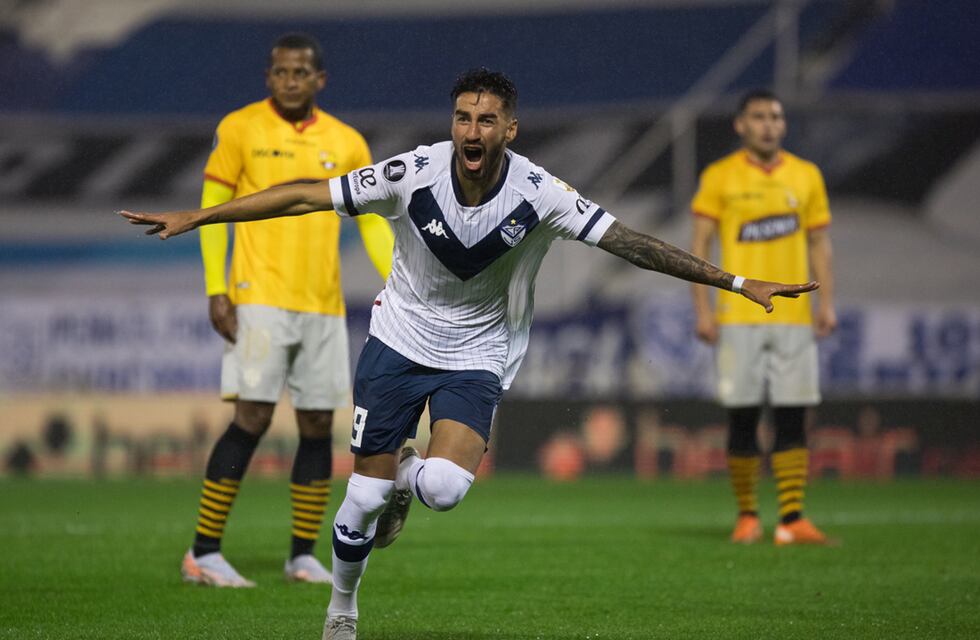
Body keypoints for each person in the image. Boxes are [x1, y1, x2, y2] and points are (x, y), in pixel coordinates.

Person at [121, 69, 818, 638]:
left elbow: (631, 242)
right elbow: (307, 195)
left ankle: (406, 478)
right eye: (462, 117)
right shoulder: (412, 171)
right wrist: (200, 216)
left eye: (486, 120)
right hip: (398, 342)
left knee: (447, 491)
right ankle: (342, 610)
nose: (471, 131)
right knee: (360, 500)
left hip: (478, 351)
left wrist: (734, 280)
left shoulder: (541, 193)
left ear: (509, 128)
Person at [179, 33, 394, 588]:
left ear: (320, 79)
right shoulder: (240, 128)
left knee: (319, 425)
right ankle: (203, 552)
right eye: (280, 72)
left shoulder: (346, 142)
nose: (289, 81)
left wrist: (398, 278)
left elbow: (370, 219)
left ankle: (301, 555)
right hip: (258, 298)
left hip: (322, 304)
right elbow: (213, 208)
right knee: (250, 417)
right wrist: (215, 287)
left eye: (300, 73)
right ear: (268, 76)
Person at [690, 89, 837, 546]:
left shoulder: (806, 175)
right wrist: (703, 309)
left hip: (794, 317)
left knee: (794, 415)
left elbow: (818, 243)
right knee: (743, 417)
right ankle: (748, 515)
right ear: (741, 125)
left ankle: (792, 519)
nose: (769, 124)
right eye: (759, 117)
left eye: (776, 116)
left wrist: (826, 302)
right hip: (738, 316)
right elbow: (699, 248)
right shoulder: (720, 176)